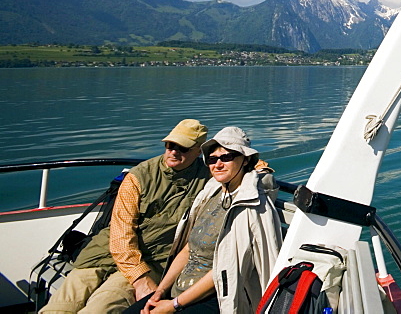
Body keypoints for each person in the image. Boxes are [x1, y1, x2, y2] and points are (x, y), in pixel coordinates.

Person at [41, 120, 211, 314]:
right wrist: (140, 280)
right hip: (102, 253)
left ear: (198, 151)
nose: (173, 152)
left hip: (151, 260)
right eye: (170, 145)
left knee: (100, 308)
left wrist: (252, 166)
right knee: (59, 307)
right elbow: (121, 234)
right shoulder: (139, 176)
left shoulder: (209, 179)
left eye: (183, 148)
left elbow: (241, 168)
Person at [128, 127, 283, 314]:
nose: (217, 164)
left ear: (246, 159)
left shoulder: (251, 207)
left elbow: (224, 269)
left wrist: (173, 305)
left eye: (226, 157)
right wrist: (161, 290)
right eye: (212, 159)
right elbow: (188, 248)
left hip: (218, 297)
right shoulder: (211, 193)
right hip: (178, 291)